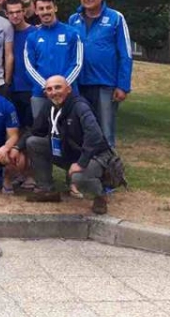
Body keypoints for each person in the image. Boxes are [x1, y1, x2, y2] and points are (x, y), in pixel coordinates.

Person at [25, 75, 114, 214]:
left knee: (78, 177)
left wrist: (81, 163)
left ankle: (100, 196)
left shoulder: (80, 106)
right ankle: (46, 189)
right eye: (49, 89)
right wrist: (15, 147)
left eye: (58, 87)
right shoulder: (49, 106)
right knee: (33, 143)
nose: (54, 92)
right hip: (68, 150)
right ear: (45, 93)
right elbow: (35, 130)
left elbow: (95, 135)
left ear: (69, 89)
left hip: (95, 156)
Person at [68, 0, 133, 147]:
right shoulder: (74, 19)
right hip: (80, 84)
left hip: (105, 83)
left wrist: (123, 86)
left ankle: (108, 162)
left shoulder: (115, 18)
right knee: (82, 128)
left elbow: (125, 54)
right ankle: (85, 162)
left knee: (105, 130)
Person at [25, 0, 83, 120]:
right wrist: (47, 87)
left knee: (71, 129)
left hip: (68, 93)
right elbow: (29, 66)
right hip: (41, 93)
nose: (45, 11)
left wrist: (62, 87)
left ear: (55, 8)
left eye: (48, 7)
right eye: (41, 9)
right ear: (36, 11)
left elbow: (77, 63)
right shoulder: (32, 37)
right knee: (41, 130)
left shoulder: (72, 33)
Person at [5, 0, 38, 130]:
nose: (15, 15)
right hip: (10, 88)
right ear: (6, 14)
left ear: (24, 12)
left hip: (31, 88)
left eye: (18, 11)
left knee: (31, 128)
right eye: (11, 13)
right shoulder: (5, 33)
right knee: (13, 128)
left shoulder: (35, 32)